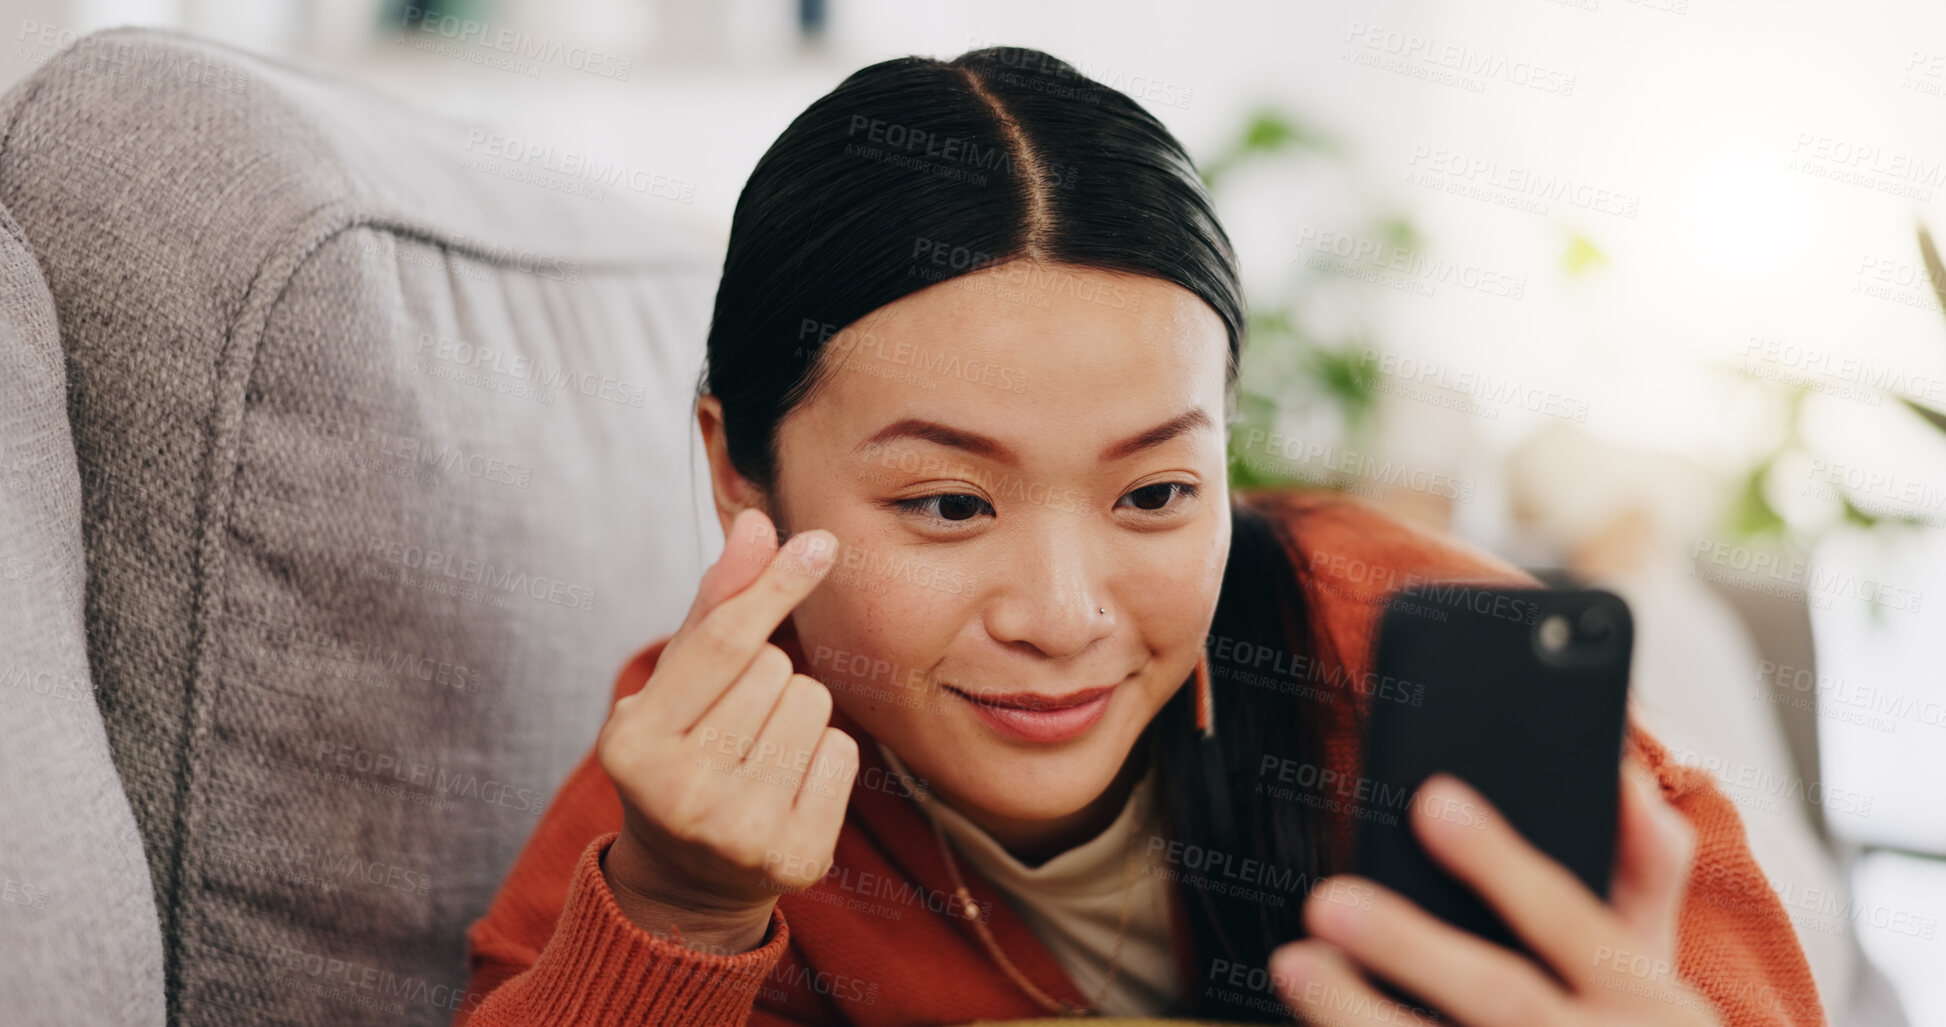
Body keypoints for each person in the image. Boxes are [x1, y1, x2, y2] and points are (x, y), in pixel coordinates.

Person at [457, 47, 1823, 1026]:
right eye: (947, 505)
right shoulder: (703, 783)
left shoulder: (1401, 660)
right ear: (739, 477)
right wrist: (681, 917)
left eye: (1155, 494)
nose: (1061, 614)